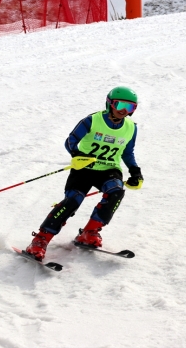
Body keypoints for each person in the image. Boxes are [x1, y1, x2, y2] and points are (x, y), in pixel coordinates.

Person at [25, 86, 144, 261]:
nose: (124, 111)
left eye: (130, 108)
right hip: (84, 169)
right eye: (120, 106)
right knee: (73, 201)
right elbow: (71, 141)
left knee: (116, 192)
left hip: (109, 169)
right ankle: (39, 240)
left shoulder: (130, 128)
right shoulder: (92, 120)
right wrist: (78, 155)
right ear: (110, 104)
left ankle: (89, 233)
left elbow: (127, 152)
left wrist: (135, 172)